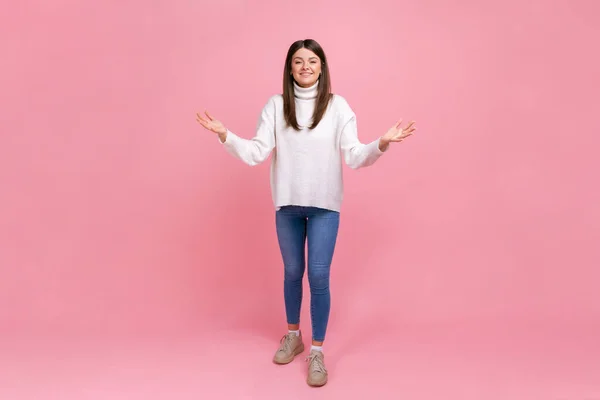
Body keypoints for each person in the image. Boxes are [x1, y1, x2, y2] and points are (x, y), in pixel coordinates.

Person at [196, 38, 416, 387]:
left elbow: (356, 155)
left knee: (317, 275)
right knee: (292, 271)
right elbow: (256, 152)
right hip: (288, 205)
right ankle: (293, 335)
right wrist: (226, 136)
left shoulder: (337, 107)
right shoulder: (275, 106)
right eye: (298, 61)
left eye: (312, 61)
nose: (305, 67)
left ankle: (316, 352)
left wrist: (382, 143)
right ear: (290, 68)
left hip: (325, 206)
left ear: (322, 67)